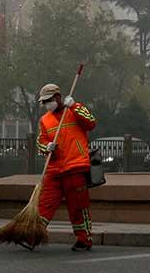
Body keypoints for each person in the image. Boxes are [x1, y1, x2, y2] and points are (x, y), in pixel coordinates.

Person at [36, 81, 98, 251]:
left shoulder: (74, 111)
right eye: (44, 102)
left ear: (58, 97)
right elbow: (40, 141)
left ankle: (84, 239)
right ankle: (33, 234)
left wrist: (75, 106)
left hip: (75, 167)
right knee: (44, 205)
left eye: (49, 100)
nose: (46, 104)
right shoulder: (45, 120)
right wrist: (46, 147)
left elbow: (91, 123)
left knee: (78, 207)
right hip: (54, 170)